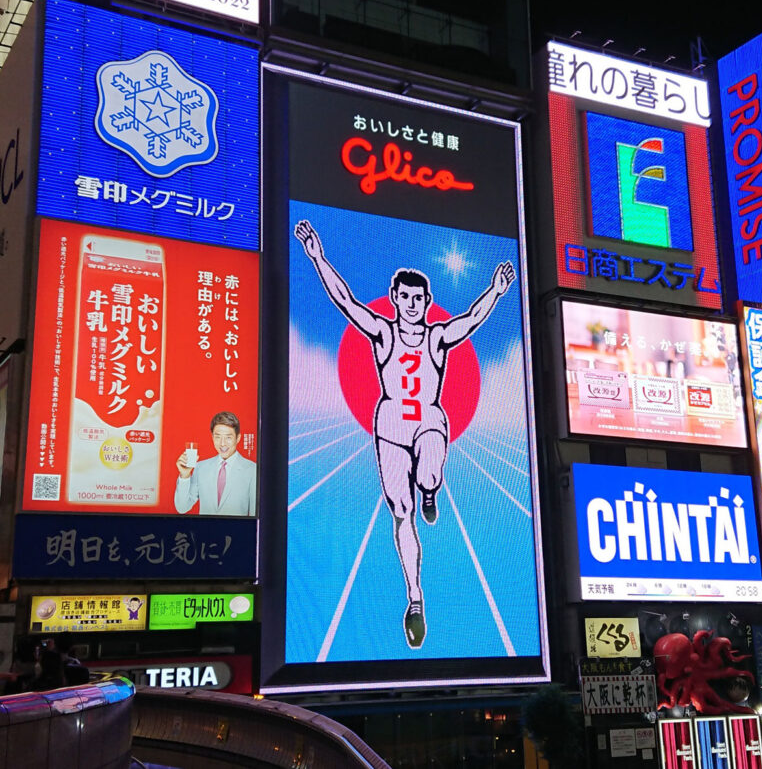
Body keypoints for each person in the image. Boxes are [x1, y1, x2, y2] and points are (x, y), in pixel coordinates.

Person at [295, 219, 515, 648]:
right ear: (395, 299)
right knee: (401, 511)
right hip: (391, 426)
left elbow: (470, 320)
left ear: (427, 301)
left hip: (429, 421)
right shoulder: (382, 332)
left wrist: (497, 291)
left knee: (429, 470)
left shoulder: (436, 337)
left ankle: (431, 487)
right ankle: (415, 598)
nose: (412, 303)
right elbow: (345, 300)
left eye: (419, 298)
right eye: (405, 297)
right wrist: (317, 256)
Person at [175, 411, 257, 516]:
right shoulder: (201, 467)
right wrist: (185, 475)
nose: (222, 443)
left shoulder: (252, 470)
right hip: (204, 531)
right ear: (212, 437)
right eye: (217, 437)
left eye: (228, 437)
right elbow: (182, 508)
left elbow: (255, 515)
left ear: (238, 438)